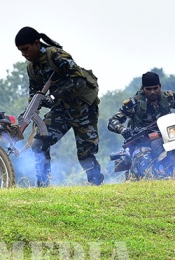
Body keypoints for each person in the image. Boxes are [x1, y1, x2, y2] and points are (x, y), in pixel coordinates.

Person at [15, 26, 103, 187]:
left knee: (85, 154)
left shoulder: (56, 55)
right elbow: (34, 94)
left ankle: (96, 184)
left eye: (26, 49)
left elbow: (79, 80)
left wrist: (54, 96)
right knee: (39, 144)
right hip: (61, 111)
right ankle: (43, 186)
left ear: (36, 44)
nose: (24, 54)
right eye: (20, 51)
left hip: (83, 109)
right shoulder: (32, 67)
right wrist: (28, 112)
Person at [107, 71, 175, 179]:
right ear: (143, 88)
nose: (152, 92)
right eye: (148, 89)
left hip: (167, 140)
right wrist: (123, 130)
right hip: (143, 143)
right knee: (145, 168)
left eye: (155, 88)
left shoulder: (169, 98)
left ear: (160, 86)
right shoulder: (133, 103)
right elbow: (113, 121)